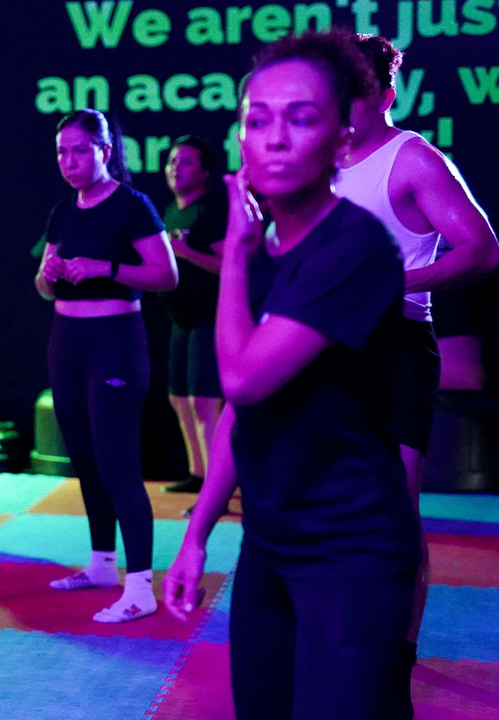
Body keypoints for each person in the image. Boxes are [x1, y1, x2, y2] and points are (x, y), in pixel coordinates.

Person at [164, 32, 423, 719]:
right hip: (270, 544)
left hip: (352, 550)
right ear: (242, 138)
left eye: (301, 119)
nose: (276, 138)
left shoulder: (356, 247)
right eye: (258, 120)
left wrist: (235, 258)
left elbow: (243, 380)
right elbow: (240, 413)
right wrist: (197, 535)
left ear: (342, 137)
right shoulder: (270, 250)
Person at [333, 34, 499, 715]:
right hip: (327, 351)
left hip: (397, 346)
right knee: (330, 504)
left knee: (396, 512)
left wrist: (393, 281)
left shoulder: (413, 158)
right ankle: (341, 645)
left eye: (357, 89)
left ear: (386, 92)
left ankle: (396, 665)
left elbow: (482, 249)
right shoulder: (319, 160)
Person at [35, 109, 177, 623]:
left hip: (115, 342)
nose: (69, 161)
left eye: (79, 150)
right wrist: (50, 275)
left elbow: (167, 274)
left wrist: (106, 268)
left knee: (118, 465)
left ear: (105, 151)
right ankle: (100, 566)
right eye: (61, 152)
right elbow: (41, 285)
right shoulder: (63, 210)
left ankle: (141, 588)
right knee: (86, 460)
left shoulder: (132, 205)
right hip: (66, 341)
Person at [156, 136, 227, 496]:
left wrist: (185, 252)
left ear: (204, 172)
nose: (175, 168)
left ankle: (216, 488)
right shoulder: (171, 211)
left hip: (209, 318)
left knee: (204, 402)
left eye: (185, 162)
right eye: (172, 161)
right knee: (179, 399)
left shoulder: (210, 211)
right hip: (180, 320)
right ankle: (198, 475)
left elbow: (231, 266)